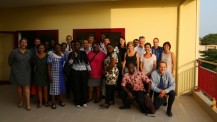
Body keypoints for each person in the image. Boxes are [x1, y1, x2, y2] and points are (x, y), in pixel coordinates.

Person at [8, 38, 32, 111]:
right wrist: (16, 67)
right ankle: (21, 101)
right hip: (17, 72)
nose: (24, 44)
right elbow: (10, 62)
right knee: (19, 87)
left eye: (25, 42)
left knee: (26, 87)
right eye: (22, 42)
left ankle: (28, 104)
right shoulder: (14, 51)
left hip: (26, 71)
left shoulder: (29, 52)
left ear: (27, 44)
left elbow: (31, 61)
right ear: (19, 43)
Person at [68, 41, 91, 108]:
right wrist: (73, 57)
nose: (76, 46)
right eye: (75, 45)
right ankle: (77, 101)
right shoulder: (71, 54)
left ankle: (84, 101)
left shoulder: (83, 53)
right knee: (76, 86)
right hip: (75, 71)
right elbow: (69, 63)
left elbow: (87, 62)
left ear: (80, 46)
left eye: (77, 45)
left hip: (83, 71)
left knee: (84, 86)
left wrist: (89, 70)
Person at [100, 43, 119, 109]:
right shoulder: (109, 54)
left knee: (108, 88)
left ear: (113, 48)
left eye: (110, 48)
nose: (108, 49)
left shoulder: (113, 54)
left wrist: (105, 71)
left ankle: (107, 103)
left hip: (111, 72)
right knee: (110, 87)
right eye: (107, 48)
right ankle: (111, 101)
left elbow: (112, 64)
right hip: (110, 72)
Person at [47, 44, 65, 109]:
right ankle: (53, 102)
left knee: (61, 88)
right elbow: (48, 67)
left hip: (61, 75)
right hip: (54, 74)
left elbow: (64, 65)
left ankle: (61, 100)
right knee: (53, 89)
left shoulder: (63, 55)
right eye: (56, 48)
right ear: (54, 48)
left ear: (60, 48)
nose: (58, 49)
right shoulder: (51, 55)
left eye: (59, 47)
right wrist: (50, 76)